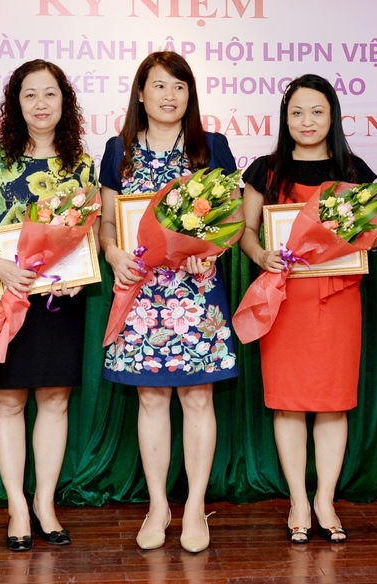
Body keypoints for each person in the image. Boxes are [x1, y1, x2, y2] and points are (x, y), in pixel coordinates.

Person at [98, 51, 239, 554]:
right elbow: (108, 222)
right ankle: (158, 506)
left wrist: (211, 252)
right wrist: (113, 254)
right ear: (141, 94)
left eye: (179, 87)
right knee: (151, 398)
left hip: (196, 293)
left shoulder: (212, 147)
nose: (169, 95)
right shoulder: (118, 150)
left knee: (198, 399)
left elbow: (232, 219)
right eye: (159, 86)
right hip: (140, 292)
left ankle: (196, 506)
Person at [0, 59, 96, 552]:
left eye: (50, 94)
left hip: (61, 298)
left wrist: (79, 274)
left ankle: (44, 503)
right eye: (30, 95)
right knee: (8, 400)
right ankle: (17, 506)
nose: (41, 104)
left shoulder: (81, 164)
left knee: (55, 399)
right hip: (8, 294)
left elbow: (88, 234)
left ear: (65, 102)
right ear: (15, 104)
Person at [238, 75, 377, 544]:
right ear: (285, 118)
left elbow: (373, 234)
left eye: (317, 111)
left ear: (332, 116)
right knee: (289, 404)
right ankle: (299, 500)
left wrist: (364, 239)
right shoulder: (265, 170)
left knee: (333, 404)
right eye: (297, 112)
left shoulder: (354, 171)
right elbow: (246, 231)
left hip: (338, 301)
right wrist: (261, 255)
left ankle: (326, 500)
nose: (307, 121)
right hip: (283, 301)